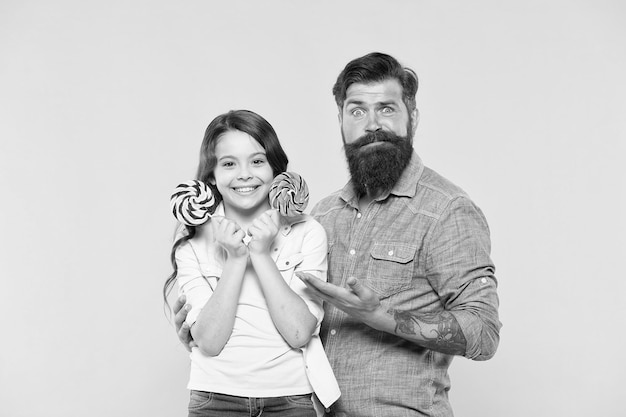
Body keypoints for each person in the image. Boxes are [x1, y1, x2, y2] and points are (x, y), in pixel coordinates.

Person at [174, 54, 501, 417]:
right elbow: (289, 319)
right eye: (357, 111)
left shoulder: (446, 209)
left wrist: (381, 316)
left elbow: (484, 334)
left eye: (387, 109)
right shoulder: (323, 215)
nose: (372, 124)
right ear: (342, 121)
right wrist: (201, 332)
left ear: (413, 118)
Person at [164, 109, 339, 417]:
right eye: (229, 164)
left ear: (276, 170)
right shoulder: (192, 246)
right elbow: (209, 342)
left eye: (257, 161)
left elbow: (299, 332)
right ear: (212, 177)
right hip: (215, 400)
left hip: (292, 399)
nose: (244, 174)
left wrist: (259, 254)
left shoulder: (308, 232)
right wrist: (235, 260)